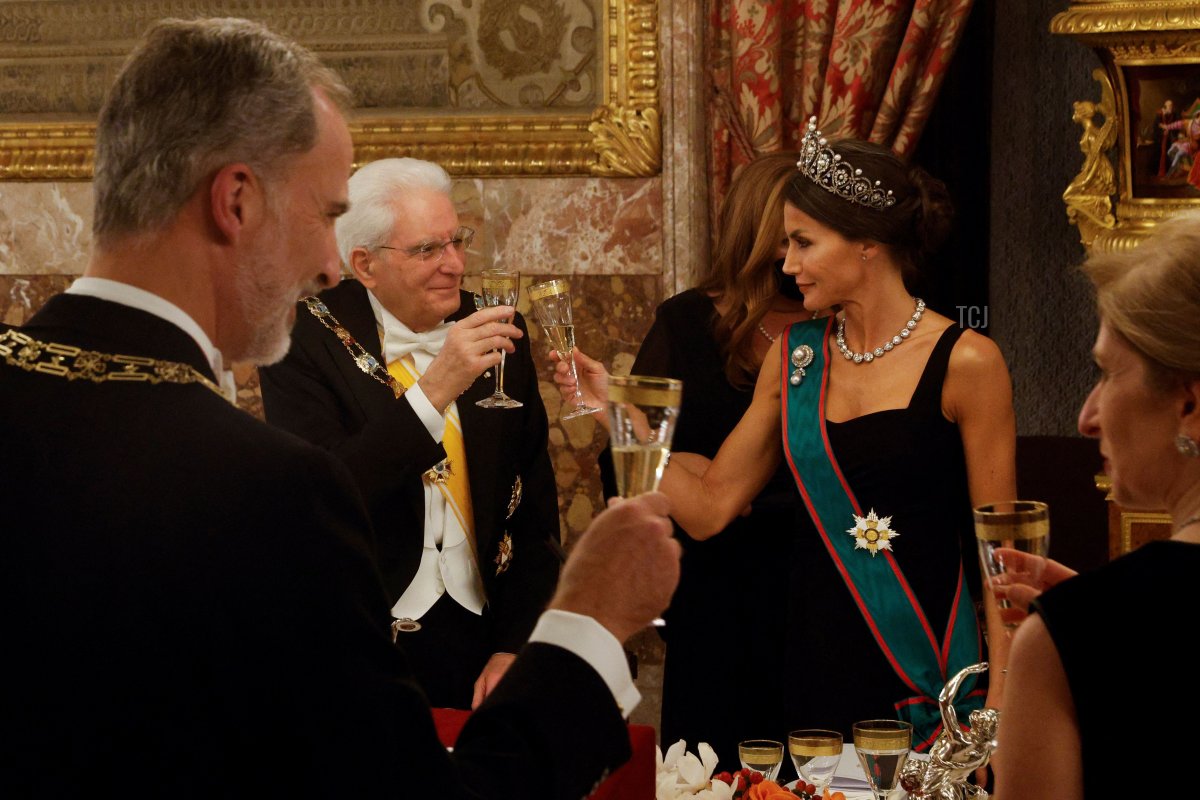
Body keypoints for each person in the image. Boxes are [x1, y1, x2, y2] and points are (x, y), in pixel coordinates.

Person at [0, 17, 681, 796]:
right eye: (326, 216)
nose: (331, 268)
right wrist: (586, 626)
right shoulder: (268, 490)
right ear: (237, 201)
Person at [560, 120, 1016, 751]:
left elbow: (1002, 552)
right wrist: (615, 408)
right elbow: (709, 508)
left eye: (803, 242)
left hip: (934, 672)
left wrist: (1001, 704)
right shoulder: (797, 357)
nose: (787, 261)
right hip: (814, 666)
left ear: (866, 244)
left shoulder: (968, 362)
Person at [259, 157, 561, 711]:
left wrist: (517, 645)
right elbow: (326, 495)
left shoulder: (495, 326)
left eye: (457, 241)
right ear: (365, 265)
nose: (455, 265)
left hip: (481, 641)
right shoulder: (301, 340)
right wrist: (436, 388)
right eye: (428, 250)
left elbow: (534, 512)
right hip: (356, 647)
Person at [585, 152, 810, 769]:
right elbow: (629, 455)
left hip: (814, 576)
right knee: (713, 764)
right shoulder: (688, 322)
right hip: (716, 586)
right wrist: (695, 481)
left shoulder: (841, 323)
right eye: (792, 235)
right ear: (760, 229)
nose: (801, 256)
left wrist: (716, 481)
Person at [991, 210, 1200, 800]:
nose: (1086, 418)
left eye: (1106, 372)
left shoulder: (1068, 641)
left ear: (1189, 403)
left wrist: (1089, 635)